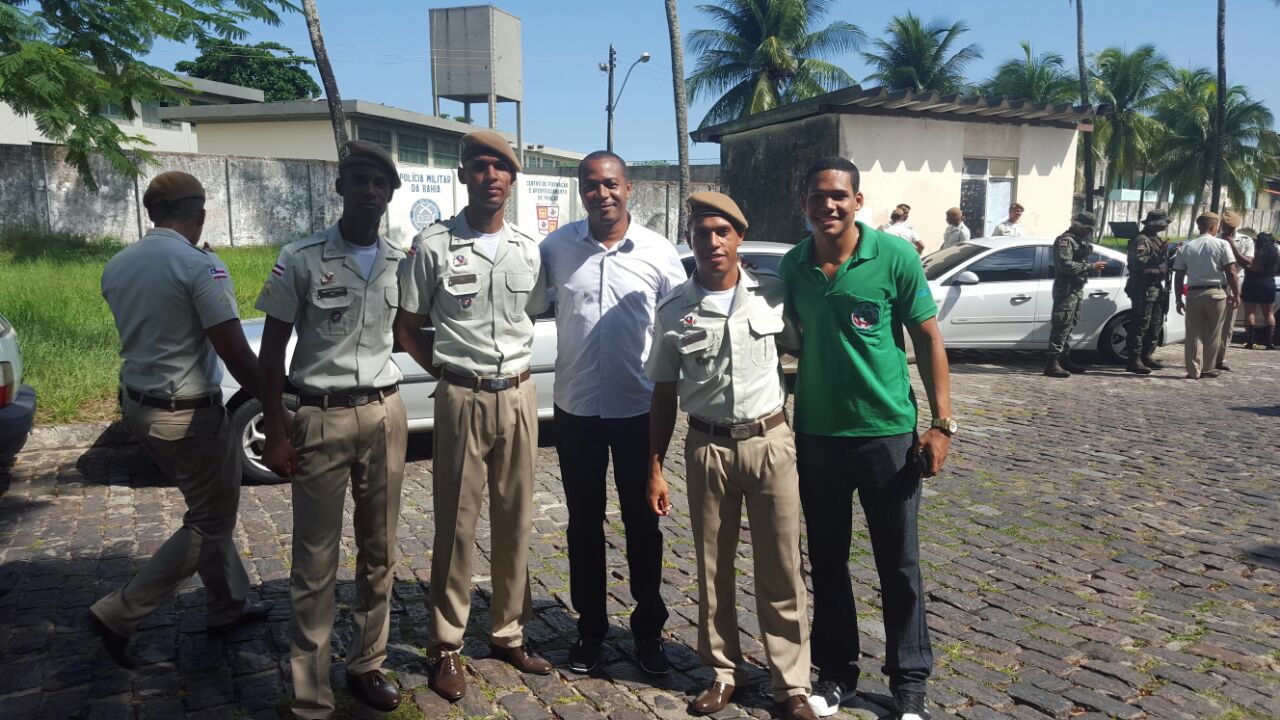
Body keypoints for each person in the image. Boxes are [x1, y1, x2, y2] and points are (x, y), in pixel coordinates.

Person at [778, 157, 954, 720]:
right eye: (816, 195)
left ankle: (909, 684)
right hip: (818, 438)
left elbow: (928, 341)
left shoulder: (894, 256)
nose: (827, 205)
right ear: (803, 202)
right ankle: (836, 674)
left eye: (838, 195)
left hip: (887, 437)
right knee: (827, 561)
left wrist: (941, 423)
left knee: (898, 564)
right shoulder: (793, 265)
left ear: (857, 200)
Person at [394, 131, 552, 701]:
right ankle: (446, 645)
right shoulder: (432, 246)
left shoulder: (529, 249)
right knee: (456, 526)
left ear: (513, 181)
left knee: (515, 520)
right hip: (461, 396)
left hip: (519, 393)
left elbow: (533, 313)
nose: (490, 176)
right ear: (463, 176)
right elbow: (407, 327)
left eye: (501, 169)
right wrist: (447, 371)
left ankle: (509, 632)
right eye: (480, 167)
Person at [645, 193, 815, 720]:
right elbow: (662, 392)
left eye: (722, 231)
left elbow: (807, 353)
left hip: (770, 443)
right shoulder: (674, 309)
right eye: (701, 232)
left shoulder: (774, 295)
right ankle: (723, 671)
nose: (712, 241)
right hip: (708, 448)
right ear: (690, 239)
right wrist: (654, 467)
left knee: (782, 566)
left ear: (739, 236)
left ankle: (791, 684)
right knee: (711, 566)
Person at [92, 171, 271, 669]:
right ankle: (119, 612)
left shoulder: (119, 264)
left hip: (139, 408)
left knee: (207, 510)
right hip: (188, 416)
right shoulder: (200, 266)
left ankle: (228, 604)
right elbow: (235, 352)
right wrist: (276, 410)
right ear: (199, 213)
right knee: (211, 522)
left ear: (153, 213)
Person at [256, 141, 408, 718]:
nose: (370, 191)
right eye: (360, 180)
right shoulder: (301, 257)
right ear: (341, 188)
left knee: (381, 550)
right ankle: (310, 690)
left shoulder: (401, 261)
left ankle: (368, 663)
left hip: (386, 414)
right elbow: (273, 351)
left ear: (391, 194)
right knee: (315, 561)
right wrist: (276, 426)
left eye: (380, 183)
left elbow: (415, 328)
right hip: (319, 415)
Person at [538, 151, 684, 674]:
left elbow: (679, 322)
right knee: (582, 525)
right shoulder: (555, 249)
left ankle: (648, 631)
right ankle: (590, 630)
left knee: (643, 525)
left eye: (611, 185)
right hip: (575, 408)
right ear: (581, 192)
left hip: (637, 410)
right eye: (591, 186)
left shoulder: (659, 251)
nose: (602, 194)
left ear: (630, 188)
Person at [1173, 211, 1241, 379]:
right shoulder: (1222, 245)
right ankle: (1208, 368)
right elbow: (1231, 272)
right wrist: (1236, 293)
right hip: (1216, 293)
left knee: (1193, 333)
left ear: (1199, 226)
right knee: (1214, 333)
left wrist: (1177, 299)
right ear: (1213, 227)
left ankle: (1193, 370)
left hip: (1194, 293)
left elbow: (1179, 275)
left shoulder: (1186, 247)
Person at [1044, 212, 1108, 378]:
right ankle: (1052, 363)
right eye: (1087, 229)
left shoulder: (1079, 241)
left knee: (1070, 324)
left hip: (1076, 288)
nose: (1088, 232)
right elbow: (1066, 266)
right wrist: (1091, 267)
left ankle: (1064, 360)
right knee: (1061, 324)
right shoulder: (1064, 241)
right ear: (1078, 226)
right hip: (1065, 289)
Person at [1123, 209, 1172, 375]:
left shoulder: (1155, 239)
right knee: (1140, 323)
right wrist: (1159, 256)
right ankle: (1134, 359)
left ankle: (1146, 354)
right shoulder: (1141, 240)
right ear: (1155, 223)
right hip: (1142, 288)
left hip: (1157, 287)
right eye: (1164, 222)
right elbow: (1138, 264)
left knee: (1155, 323)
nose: (1166, 225)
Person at [1215, 210, 1254, 369]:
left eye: (1230, 227)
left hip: (1233, 288)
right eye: (1225, 227)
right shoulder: (1214, 239)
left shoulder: (1245, 240)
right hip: (1216, 284)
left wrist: (1232, 245)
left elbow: (1247, 263)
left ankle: (1220, 359)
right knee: (1212, 325)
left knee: (1227, 327)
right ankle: (1208, 357)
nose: (1227, 229)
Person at [1241, 232, 1278, 349]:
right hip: (1268, 281)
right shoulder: (1275, 253)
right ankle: (1269, 342)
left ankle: (1250, 341)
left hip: (1251, 281)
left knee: (1250, 313)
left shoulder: (1255, 252)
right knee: (1269, 313)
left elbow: (1248, 265)